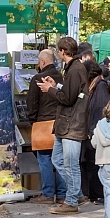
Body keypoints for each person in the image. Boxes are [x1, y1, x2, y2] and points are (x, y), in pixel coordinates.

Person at [38, 36, 89, 215]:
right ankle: (78, 194)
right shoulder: (72, 69)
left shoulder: (75, 69)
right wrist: (56, 84)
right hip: (66, 124)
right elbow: (70, 91)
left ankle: (72, 200)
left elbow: (67, 98)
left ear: (61, 51)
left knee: (69, 164)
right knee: (58, 160)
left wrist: (49, 90)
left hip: (72, 124)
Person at [26, 49, 66, 204]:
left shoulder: (38, 79)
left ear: (42, 62)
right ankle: (62, 195)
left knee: (45, 159)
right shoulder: (62, 77)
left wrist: (32, 123)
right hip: (61, 123)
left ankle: (48, 194)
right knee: (60, 159)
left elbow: (32, 104)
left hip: (43, 124)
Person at [80, 60, 110, 204]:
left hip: (96, 131)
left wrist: (93, 130)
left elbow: (100, 109)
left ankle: (98, 194)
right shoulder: (95, 86)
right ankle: (93, 193)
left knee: (95, 163)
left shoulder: (100, 86)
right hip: (93, 130)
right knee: (90, 163)